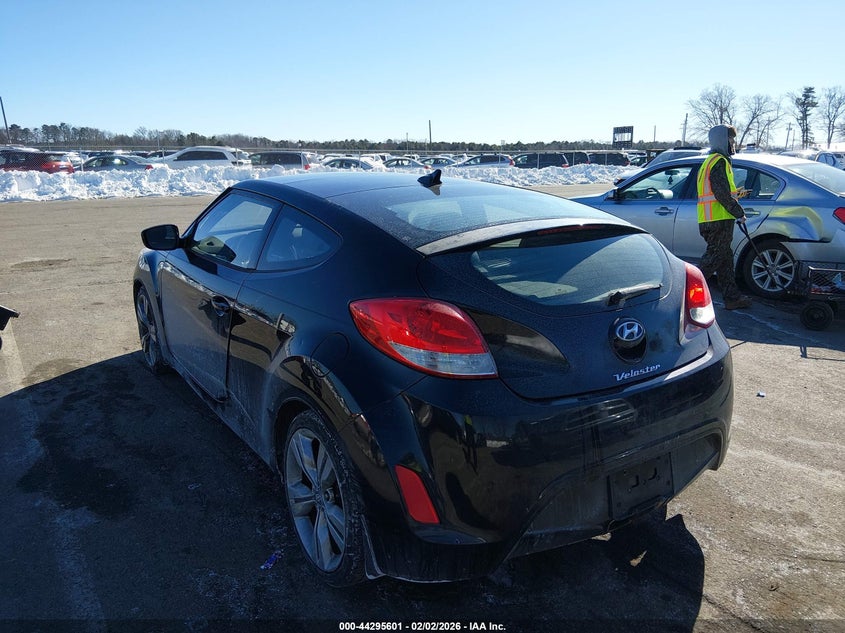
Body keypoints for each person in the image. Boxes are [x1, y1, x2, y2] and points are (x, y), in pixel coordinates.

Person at [696, 125, 753, 310]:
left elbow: (720, 191)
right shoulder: (718, 161)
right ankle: (683, 291)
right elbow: (720, 194)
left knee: (725, 258)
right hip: (718, 220)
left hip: (713, 219)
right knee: (713, 259)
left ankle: (732, 297)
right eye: (731, 139)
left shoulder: (711, 161)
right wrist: (738, 211)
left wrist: (737, 194)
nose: (733, 143)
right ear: (722, 140)